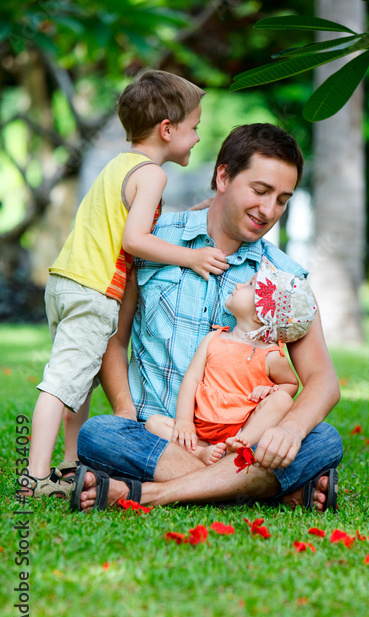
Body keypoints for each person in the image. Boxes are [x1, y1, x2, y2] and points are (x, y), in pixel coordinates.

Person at [71, 123, 342, 512]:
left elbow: (323, 380)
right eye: (261, 191)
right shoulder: (152, 240)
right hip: (158, 435)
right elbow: (114, 337)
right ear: (223, 176)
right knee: (101, 433)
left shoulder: (283, 278)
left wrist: (289, 429)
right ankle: (264, 489)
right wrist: (125, 411)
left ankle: (148, 493)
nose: (269, 211)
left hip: (241, 441)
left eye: (282, 199)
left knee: (324, 439)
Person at [18, 70, 228, 499]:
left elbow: (135, 226)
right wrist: (192, 255)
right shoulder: (153, 175)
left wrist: (196, 211)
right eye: (194, 129)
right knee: (62, 382)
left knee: (82, 379)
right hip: (94, 290)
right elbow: (136, 240)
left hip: (67, 284)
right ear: (167, 130)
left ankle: (70, 464)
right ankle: (35, 478)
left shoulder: (122, 165)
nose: (197, 138)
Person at [144, 259, 317, 465]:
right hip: (200, 428)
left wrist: (272, 391)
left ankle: (240, 444)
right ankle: (200, 453)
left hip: (242, 427)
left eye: (250, 285)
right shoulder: (213, 339)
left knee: (284, 401)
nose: (238, 285)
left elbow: (290, 385)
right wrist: (184, 422)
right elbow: (191, 380)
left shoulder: (271, 355)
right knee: (153, 423)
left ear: (261, 314)